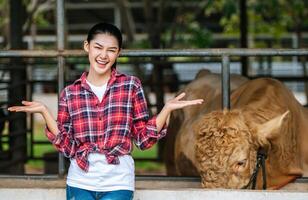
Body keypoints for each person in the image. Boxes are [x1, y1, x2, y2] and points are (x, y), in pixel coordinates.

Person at [8, 22, 203, 200]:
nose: (103, 56)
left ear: (118, 53)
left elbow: (143, 140)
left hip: (118, 182)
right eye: (98, 48)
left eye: (111, 50)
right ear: (87, 47)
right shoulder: (70, 93)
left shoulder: (131, 86)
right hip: (80, 182)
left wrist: (166, 109)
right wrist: (45, 112)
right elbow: (68, 147)